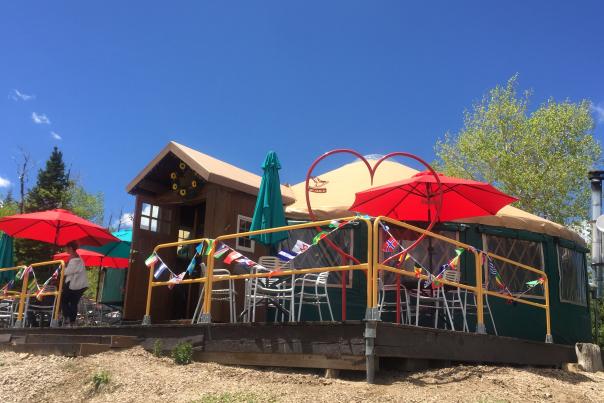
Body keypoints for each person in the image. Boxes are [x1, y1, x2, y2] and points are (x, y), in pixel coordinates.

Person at [60, 241, 89, 326]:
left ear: (71, 248)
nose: (65, 249)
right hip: (80, 284)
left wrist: (64, 267)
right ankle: (72, 321)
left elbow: (67, 272)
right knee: (73, 302)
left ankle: (68, 317)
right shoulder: (77, 258)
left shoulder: (74, 259)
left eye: (66, 247)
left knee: (63, 300)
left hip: (74, 284)